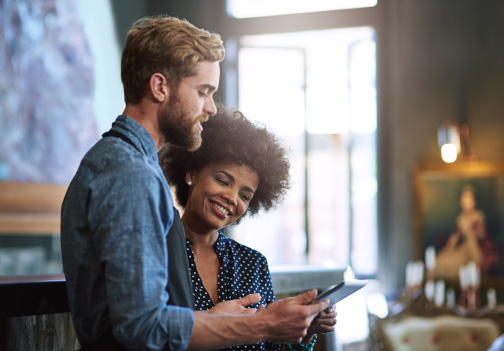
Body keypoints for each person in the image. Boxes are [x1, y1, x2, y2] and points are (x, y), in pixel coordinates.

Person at [60, 15, 329, 351]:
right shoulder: (130, 174)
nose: (212, 108)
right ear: (160, 87)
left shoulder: (123, 163)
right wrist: (262, 323)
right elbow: (143, 328)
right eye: (203, 91)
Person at [161, 109, 337, 351]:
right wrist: (212, 321)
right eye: (223, 180)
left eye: (245, 195)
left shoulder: (253, 263)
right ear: (191, 172)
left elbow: (272, 348)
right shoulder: (157, 253)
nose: (232, 198)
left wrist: (304, 329)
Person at [435, 184, 498, 281]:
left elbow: (482, 236)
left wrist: (476, 233)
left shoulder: (478, 216)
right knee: (442, 260)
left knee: (471, 265)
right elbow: (454, 238)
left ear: (474, 201)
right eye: (464, 199)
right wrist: (447, 249)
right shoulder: (460, 219)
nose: (466, 202)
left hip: (475, 249)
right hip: (464, 248)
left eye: (469, 199)